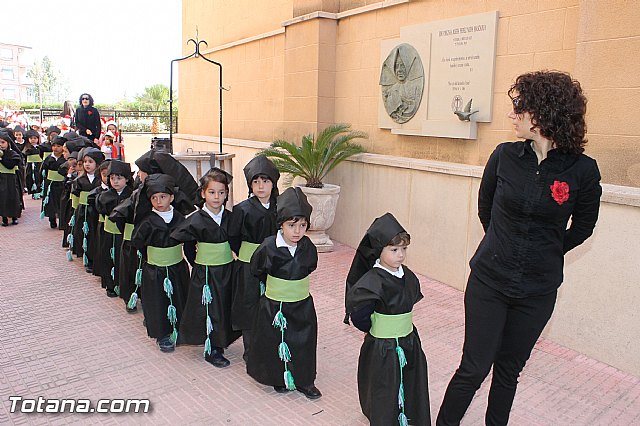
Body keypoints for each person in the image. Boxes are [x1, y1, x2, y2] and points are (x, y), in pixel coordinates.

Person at [436, 71, 603, 426]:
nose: (513, 115)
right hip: (489, 281)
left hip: (537, 290)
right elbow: (486, 208)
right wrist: (504, 242)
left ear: (541, 115)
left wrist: (548, 250)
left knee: (509, 371)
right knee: (474, 368)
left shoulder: (583, 171)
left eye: (519, 108)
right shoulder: (505, 156)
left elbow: (584, 227)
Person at [345, 213, 431, 425]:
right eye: (394, 250)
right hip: (383, 346)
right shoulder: (372, 281)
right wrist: (376, 328)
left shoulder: (408, 276)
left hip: (409, 341)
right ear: (379, 250)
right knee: (384, 385)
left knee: (409, 379)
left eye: (404, 249)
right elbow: (360, 315)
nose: (400, 255)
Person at [247, 187, 321, 399]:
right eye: (291, 225)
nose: (297, 231)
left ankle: (305, 380)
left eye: (303, 225)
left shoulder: (308, 247)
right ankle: (279, 377)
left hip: (302, 305)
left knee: (304, 341)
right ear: (280, 224)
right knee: (276, 340)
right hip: (275, 305)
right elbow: (257, 269)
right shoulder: (269, 247)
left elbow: (310, 267)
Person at [171, 168, 241, 367]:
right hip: (206, 272)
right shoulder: (195, 219)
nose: (216, 197)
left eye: (221, 192)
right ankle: (212, 347)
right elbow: (187, 245)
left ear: (226, 194)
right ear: (203, 193)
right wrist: (198, 264)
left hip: (227, 269)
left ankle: (224, 339)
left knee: (225, 305)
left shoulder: (230, 217)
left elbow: (235, 241)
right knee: (211, 308)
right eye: (211, 192)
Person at [131, 173, 195, 352]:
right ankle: (162, 334)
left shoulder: (181, 219)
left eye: (163, 196)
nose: (159, 201)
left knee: (179, 296)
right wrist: (154, 257)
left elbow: (189, 241)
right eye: (154, 197)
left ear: (172, 197)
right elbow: (139, 244)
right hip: (155, 269)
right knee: (157, 302)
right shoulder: (146, 222)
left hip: (177, 267)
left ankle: (179, 328)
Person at [231, 155, 280, 362]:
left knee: (271, 305)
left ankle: (269, 343)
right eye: (256, 182)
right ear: (250, 184)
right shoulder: (242, 209)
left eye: (265, 181)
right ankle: (250, 348)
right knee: (249, 305)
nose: (261, 186)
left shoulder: (280, 207)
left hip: (274, 265)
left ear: (273, 183)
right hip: (248, 266)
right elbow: (233, 236)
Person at [96, 160, 133, 298]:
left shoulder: (131, 195)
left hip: (123, 234)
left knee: (123, 260)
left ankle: (124, 285)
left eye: (119, 178)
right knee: (108, 258)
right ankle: (110, 284)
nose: (115, 182)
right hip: (109, 232)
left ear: (127, 179)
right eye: (112, 178)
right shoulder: (104, 196)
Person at [70, 148, 105, 272]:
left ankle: (96, 257)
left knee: (96, 234)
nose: (87, 164)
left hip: (95, 210)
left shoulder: (100, 180)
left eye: (90, 161)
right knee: (85, 233)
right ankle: (88, 258)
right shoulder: (79, 180)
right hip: (83, 210)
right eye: (85, 161)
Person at [40, 136, 66, 228]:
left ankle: (62, 220)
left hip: (61, 183)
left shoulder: (65, 158)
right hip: (50, 183)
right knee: (50, 201)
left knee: (61, 202)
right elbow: (44, 170)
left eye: (58, 146)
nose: (56, 148)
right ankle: (52, 219)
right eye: (54, 145)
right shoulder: (48, 158)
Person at [0, 132, 22, 226]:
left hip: (11, 179)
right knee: (2, 198)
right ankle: (4, 218)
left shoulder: (13, 154)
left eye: (3, 142)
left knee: (13, 197)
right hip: (1, 178)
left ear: (8, 143)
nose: (1, 145)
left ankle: (14, 216)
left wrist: (1, 158)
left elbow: (10, 165)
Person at [23, 129, 43, 198]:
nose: (33, 140)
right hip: (30, 165)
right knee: (30, 177)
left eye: (35, 138)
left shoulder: (40, 147)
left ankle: (38, 190)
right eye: (31, 138)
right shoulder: (26, 147)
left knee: (38, 176)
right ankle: (32, 190)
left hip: (38, 164)